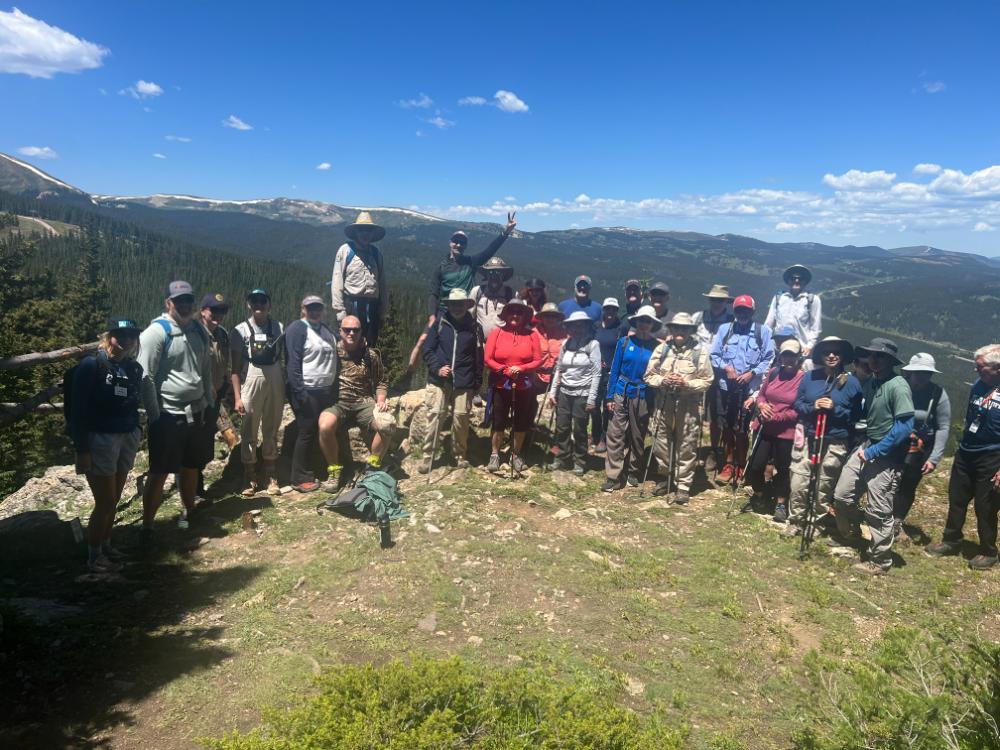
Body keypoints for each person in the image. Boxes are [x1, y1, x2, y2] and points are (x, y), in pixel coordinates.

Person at [70, 318, 156, 571]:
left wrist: (137, 429)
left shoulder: (132, 368)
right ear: (109, 337)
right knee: (105, 501)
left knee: (115, 498)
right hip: (101, 438)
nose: (127, 341)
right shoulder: (91, 365)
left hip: (126, 435)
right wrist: (82, 449)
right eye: (121, 335)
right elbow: (78, 411)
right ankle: (94, 556)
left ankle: (106, 545)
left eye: (131, 336)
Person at [138, 281, 216, 540]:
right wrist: (155, 416)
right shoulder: (155, 333)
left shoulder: (198, 329)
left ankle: (187, 513)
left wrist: (208, 401)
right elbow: (145, 377)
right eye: (179, 300)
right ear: (168, 303)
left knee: (191, 466)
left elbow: (205, 367)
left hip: (197, 411)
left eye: (188, 300)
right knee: (160, 471)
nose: (184, 305)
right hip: (168, 414)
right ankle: (147, 526)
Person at [832, 338, 914, 576]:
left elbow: (904, 426)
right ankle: (852, 535)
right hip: (867, 445)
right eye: (871, 355)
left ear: (890, 360)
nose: (874, 360)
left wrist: (874, 451)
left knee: (878, 509)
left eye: (880, 356)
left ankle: (879, 561)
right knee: (842, 495)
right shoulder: (873, 382)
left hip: (886, 455)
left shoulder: (898, 386)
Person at [926, 344, 1000, 570]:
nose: (976, 370)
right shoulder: (979, 385)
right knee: (957, 498)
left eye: (980, 367)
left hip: (992, 456)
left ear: (997, 368)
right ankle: (951, 540)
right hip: (967, 452)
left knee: (985, 506)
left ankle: (988, 551)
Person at [783, 337, 862, 537]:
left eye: (836, 352)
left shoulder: (852, 383)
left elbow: (856, 416)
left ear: (843, 356)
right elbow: (798, 404)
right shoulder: (809, 377)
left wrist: (835, 409)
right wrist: (813, 407)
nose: (832, 355)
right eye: (827, 352)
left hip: (835, 440)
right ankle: (795, 521)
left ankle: (815, 523)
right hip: (808, 436)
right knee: (799, 480)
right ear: (820, 355)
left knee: (824, 484)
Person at [643, 312, 713, 503]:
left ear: (690, 330)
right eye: (676, 327)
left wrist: (686, 383)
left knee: (686, 445)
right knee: (661, 443)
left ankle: (682, 485)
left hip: (688, 405)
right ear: (671, 329)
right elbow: (649, 375)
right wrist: (663, 380)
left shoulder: (700, 352)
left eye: (684, 328)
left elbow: (707, 380)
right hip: (663, 403)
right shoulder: (661, 349)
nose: (680, 331)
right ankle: (665, 477)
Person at [317, 315, 393, 487]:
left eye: (356, 330)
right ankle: (334, 470)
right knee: (324, 426)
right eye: (347, 330)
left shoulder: (370, 355)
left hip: (364, 402)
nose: (351, 333)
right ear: (340, 331)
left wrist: (381, 400)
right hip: (338, 402)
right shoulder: (333, 352)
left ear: (361, 332)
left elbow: (381, 381)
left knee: (387, 424)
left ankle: (373, 466)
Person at [709, 295, 775, 484]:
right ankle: (728, 463)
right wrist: (726, 368)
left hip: (749, 389)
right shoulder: (725, 329)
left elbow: (769, 358)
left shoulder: (763, 332)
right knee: (727, 426)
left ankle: (741, 464)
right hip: (726, 388)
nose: (742, 314)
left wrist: (752, 373)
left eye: (746, 310)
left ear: (753, 312)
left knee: (743, 428)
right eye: (739, 310)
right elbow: (714, 355)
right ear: (734, 311)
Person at [419, 289, 485, 473]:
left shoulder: (474, 327)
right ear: (448, 306)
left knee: (461, 418)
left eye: (460, 304)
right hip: (439, 379)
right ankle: (428, 456)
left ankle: (459, 454)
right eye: (453, 304)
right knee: (435, 415)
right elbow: (427, 349)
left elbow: (478, 357)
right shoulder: (440, 323)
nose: (457, 308)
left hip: (464, 380)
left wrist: (477, 382)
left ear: (466, 305)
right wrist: (437, 367)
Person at [231, 288, 285, 497]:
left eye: (263, 301)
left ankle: (270, 473)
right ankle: (249, 474)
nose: (259, 305)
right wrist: (237, 397)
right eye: (255, 301)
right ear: (249, 304)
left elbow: (284, 357)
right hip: (251, 377)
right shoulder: (240, 330)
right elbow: (235, 368)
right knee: (249, 427)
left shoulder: (279, 327)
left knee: (272, 425)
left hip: (275, 376)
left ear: (269, 304)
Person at [602, 305, 661, 492]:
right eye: (641, 320)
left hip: (643, 394)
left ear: (652, 324)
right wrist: (610, 396)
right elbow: (615, 370)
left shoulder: (657, 347)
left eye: (647, 321)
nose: (644, 324)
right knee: (616, 433)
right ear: (636, 322)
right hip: (621, 391)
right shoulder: (624, 342)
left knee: (638, 435)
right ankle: (613, 475)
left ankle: (633, 470)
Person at [744, 340, 805, 520]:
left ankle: (780, 503)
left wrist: (777, 417)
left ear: (799, 357)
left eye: (793, 355)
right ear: (780, 356)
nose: (789, 359)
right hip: (764, 427)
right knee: (756, 466)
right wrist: (762, 406)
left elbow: (799, 410)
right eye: (786, 355)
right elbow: (762, 395)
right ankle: (760, 494)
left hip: (786, 432)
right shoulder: (773, 373)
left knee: (783, 468)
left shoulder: (803, 379)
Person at [893, 353, 951, 536]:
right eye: (918, 372)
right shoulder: (898, 387)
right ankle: (882, 514)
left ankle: (897, 520)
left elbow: (943, 427)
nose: (922, 376)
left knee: (909, 483)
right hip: (895, 441)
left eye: (926, 373)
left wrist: (934, 458)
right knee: (889, 480)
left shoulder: (938, 394)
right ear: (910, 372)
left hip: (920, 447)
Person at [484, 297, 544, 473]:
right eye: (512, 312)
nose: (515, 315)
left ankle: (515, 454)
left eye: (519, 312)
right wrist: (504, 370)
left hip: (524, 385)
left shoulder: (532, 335)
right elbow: (488, 359)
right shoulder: (497, 333)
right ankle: (495, 454)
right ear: (506, 314)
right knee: (498, 420)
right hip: (501, 384)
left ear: (525, 316)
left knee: (521, 421)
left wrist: (522, 368)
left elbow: (538, 360)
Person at [284, 295, 338, 492]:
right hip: (307, 390)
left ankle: (314, 469)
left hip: (324, 390)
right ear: (303, 309)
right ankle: (298, 477)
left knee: (316, 430)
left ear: (323, 310)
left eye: (318, 308)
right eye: (310, 308)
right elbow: (292, 364)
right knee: (306, 432)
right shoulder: (297, 329)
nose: (315, 311)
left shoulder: (325, 329)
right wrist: (300, 393)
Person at [426, 213, 517, 325]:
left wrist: (506, 232)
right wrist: (432, 316)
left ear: (465, 246)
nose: (458, 245)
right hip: (444, 314)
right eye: (456, 241)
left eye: (462, 243)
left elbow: (489, 251)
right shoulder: (440, 268)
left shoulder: (471, 262)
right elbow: (433, 294)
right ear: (450, 243)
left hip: (465, 314)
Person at [195, 292, 236, 502]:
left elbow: (224, 363)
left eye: (222, 311)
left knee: (204, 442)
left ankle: (197, 485)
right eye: (214, 310)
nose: (218, 315)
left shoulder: (222, 334)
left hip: (216, 396)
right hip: (197, 398)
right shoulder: (194, 334)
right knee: (194, 442)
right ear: (203, 311)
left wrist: (225, 388)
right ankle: (194, 489)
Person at [548, 311, 601, 475]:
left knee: (579, 429)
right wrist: (552, 392)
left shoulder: (593, 345)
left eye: (580, 325)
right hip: (564, 392)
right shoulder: (566, 344)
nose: (577, 328)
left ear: (586, 326)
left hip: (582, 394)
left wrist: (591, 399)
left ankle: (580, 460)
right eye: (573, 326)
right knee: (562, 427)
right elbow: (559, 369)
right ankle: (563, 457)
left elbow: (596, 373)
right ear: (569, 327)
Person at [693, 284, 734, 472]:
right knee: (694, 411)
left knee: (717, 413)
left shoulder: (732, 321)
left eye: (720, 300)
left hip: (720, 372)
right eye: (713, 299)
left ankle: (714, 450)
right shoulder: (698, 317)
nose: (716, 303)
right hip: (698, 369)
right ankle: (691, 447)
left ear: (726, 301)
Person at [331, 211, 388, 345]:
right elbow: (337, 281)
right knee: (349, 345)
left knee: (370, 346)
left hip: (373, 307)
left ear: (373, 233)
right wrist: (340, 311)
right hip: (351, 306)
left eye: (369, 230)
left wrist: (383, 310)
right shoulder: (345, 250)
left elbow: (382, 283)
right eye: (361, 230)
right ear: (356, 232)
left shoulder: (376, 254)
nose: (365, 233)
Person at [593, 297, 630, 453]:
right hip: (595, 372)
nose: (610, 312)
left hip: (611, 373)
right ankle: (595, 435)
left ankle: (603, 438)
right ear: (603, 310)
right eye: (608, 308)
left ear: (617, 311)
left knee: (607, 407)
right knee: (594, 406)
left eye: (613, 309)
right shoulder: (595, 327)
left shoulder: (621, 328)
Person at [764, 264, 822, 356]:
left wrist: (809, 346)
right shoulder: (778, 298)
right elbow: (768, 323)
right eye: (793, 278)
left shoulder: (812, 300)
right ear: (788, 280)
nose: (796, 280)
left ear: (805, 281)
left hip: (801, 350)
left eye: (800, 278)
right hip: (778, 349)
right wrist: (767, 343)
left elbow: (816, 327)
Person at [533, 303, 567, 428]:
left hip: (557, 376)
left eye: (553, 316)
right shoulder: (533, 333)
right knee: (529, 402)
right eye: (547, 316)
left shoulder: (565, 335)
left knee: (560, 405)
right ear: (541, 317)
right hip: (535, 375)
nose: (550, 319)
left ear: (558, 318)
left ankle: (560, 432)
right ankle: (526, 426)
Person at [470, 256, 516, 339]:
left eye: (498, 272)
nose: (494, 276)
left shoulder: (510, 294)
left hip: (503, 343)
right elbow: (470, 316)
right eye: (490, 272)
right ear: (486, 275)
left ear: (503, 275)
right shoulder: (477, 291)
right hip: (480, 343)